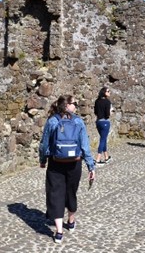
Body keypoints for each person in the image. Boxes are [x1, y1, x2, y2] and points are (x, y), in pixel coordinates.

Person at [39, 95, 96, 244]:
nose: (76, 106)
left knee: (56, 194)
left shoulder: (52, 121)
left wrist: (43, 160)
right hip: (74, 164)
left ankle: (58, 232)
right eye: (74, 104)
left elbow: (44, 144)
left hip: (55, 163)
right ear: (67, 106)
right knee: (71, 192)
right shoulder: (78, 121)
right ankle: (71, 222)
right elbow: (85, 146)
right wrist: (91, 166)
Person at [93, 87, 113, 164]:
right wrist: (110, 113)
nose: (109, 92)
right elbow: (107, 114)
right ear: (104, 92)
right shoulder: (107, 102)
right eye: (108, 91)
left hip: (98, 122)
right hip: (105, 122)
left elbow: (95, 112)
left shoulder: (97, 101)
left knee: (103, 139)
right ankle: (98, 159)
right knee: (102, 139)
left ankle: (106, 156)